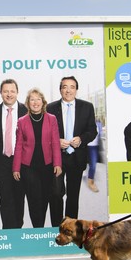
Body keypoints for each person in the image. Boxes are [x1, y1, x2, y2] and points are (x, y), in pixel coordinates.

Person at [46, 76, 97, 225]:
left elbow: (92, 131)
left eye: (72, 87)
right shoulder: (50, 108)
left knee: (73, 196)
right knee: (55, 194)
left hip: (77, 157)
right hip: (57, 159)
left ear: (76, 89)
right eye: (64, 87)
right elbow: (44, 134)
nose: (68, 90)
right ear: (60, 89)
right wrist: (55, 142)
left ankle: (70, 229)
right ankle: (56, 227)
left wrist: (81, 139)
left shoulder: (87, 107)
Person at [13, 88, 62, 228]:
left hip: (47, 165)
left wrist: (57, 163)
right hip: (28, 167)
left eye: (38, 99)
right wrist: (16, 168)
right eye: (32, 99)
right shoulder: (22, 121)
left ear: (43, 102)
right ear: (28, 103)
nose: (35, 102)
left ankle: (43, 225)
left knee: (45, 198)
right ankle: (37, 229)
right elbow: (19, 146)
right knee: (33, 199)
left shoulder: (51, 119)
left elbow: (55, 143)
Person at [0, 79, 27, 229]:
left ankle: (17, 228)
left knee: (19, 197)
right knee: (5, 198)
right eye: (5, 91)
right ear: (1, 93)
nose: (9, 94)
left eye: (12, 91)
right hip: (0, 163)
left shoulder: (25, 111)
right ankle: (8, 231)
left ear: (17, 92)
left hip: (21, 162)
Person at [86, 119, 103, 192]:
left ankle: (90, 182)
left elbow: (100, 135)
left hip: (94, 147)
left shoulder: (98, 124)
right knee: (80, 164)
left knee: (93, 165)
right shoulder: (84, 122)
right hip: (85, 146)